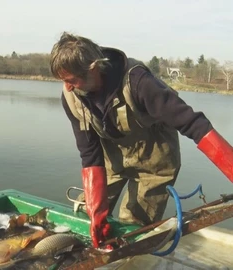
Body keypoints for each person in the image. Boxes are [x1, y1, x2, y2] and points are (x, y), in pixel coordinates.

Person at [50, 32, 233, 248]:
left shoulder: (138, 82)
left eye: (71, 80)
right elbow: (89, 153)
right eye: (63, 81)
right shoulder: (71, 97)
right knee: (86, 215)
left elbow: (194, 125)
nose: (68, 87)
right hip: (112, 157)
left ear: (93, 68)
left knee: (133, 227)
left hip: (154, 159)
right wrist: (97, 213)